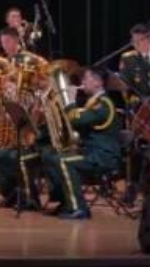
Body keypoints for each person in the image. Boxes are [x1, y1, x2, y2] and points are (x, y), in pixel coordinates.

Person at [43, 67, 123, 219]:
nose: (82, 82)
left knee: (63, 161)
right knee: (49, 155)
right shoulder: (93, 103)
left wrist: (70, 101)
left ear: (98, 82)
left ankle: (78, 208)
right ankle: (66, 201)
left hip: (102, 156)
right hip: (92, 152)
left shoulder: (103, 104)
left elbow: (76, 120)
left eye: (86, 78)